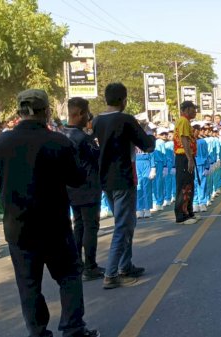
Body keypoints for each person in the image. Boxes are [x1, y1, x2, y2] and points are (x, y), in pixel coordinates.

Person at [0, 89, 99, 337]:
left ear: (19, 112)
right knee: (69, 276)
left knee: (29, 285)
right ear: (47, 111)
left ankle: (38, 333)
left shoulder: (1, 142)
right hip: (54, 226)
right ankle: (73, 329)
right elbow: (76, 178)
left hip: (18, 227)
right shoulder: (59, 142)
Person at [93, 83, 155, 289]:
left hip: (105, 179)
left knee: (128, 222)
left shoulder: (96, 121)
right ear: (123, 100)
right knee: (123, 224)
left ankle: (125, 265)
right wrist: (148, 132)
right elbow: (147, 145)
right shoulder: (126, 120)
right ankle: (112, 273)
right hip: (123, 178)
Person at [63, 97, 105, 281]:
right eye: (87, 113)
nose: (89, 117)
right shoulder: (82, 138)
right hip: (87, 187)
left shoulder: (62, 134)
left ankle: (77, 264)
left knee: (78, 225)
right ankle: (90, 265)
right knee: (90, 226)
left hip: (71, 188)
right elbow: (97, 156)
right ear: (79, 113)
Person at [173, 101, 199, 222]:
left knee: (189, 185)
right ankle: (181, 216)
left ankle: (188, 212)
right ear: (187, 109)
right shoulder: (183, 121)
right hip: (183, 157)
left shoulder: (186, 122)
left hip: (187, 156)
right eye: (193, 109)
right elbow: (184, 140)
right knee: (184, 186)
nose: (195, 112)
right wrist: (189, 158)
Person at [192, 123, 210, 212]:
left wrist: (207, 167)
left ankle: (202, 202)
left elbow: (206, 155)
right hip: (191, 165)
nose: (194, 131)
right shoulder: (187, 141)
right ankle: (195, 203)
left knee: (202, 184)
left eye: (196, 129)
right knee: (193, 184)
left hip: (201, 165)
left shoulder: (202, 142)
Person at [152, 127, 168, 212]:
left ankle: (159, 202)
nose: (164, 135)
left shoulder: (160, 142)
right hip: (152, 163)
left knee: (158, 183)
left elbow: (164, 155)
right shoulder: (153, 141)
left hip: (159, 163)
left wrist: (165, 166)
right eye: (162, 134)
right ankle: (156, 201)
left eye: (165, 134)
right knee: (154, 183)